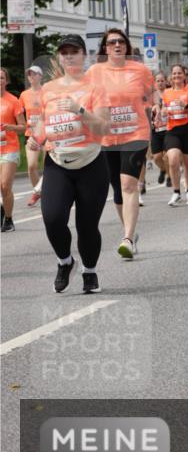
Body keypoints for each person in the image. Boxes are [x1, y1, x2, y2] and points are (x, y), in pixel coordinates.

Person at [26, 35, 110, 293]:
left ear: (84, 55)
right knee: (52, 218)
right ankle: (65, 261)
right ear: (58, 58)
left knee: (87, 226)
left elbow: (104, 126)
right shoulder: (49, 89)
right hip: (58, 162)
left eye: (74, 51)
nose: (69, 56)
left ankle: (90, 272)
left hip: (91, 162)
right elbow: (42, 121)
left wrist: (79, 110)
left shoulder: (96, 87)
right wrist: (35, 138)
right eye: (64, 53)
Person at [89, 28, 159, 260]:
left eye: (121, 42)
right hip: (107, 137)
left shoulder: (140, 70)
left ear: (127, 46)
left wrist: (157, 106)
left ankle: (127, 238)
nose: (117, 45)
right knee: (117, 188)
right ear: (105, 48)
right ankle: (129, 231)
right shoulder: (95, 71)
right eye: (111, 43)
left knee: (129, 184)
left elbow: (153, 94)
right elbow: (85, 99)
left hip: (135, 133)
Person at [163, 64, 188, 206]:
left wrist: (187, 106)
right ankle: (176, 192)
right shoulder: (167, 92)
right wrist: (162, 113)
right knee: (173, 159)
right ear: (171, 76)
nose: (176, 76)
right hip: (172, 131)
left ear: (184, 75)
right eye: (174, 74)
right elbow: (165, 108)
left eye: (179, 73)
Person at [1, 67, 26, 233]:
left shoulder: (13, 101)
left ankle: (8, 220)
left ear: (6, 81)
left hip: (10, 147)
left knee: (5, 185)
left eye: (2, 77)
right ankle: (4, 208)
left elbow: (24, 127)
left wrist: (10, 127)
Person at [18, 65, 45, 207]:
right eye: (29, 74)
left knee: (49, 167)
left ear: (40, 76)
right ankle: (38, 192)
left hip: (47, 134)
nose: (31, 76)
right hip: (31, 135)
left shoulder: (47, 91)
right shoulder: (24, 95)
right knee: (31, 166)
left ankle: (39, 191)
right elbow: (19, 112)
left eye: (34, 74)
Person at [150, 72, 170, 185]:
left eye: (162, 80)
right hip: (156, 129)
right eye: (158, 81)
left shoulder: (169, 93)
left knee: (167, 155)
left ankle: (169, 177)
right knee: (157, 157)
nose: (160, 83)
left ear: (166, 81)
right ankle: (163, 170)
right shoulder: (151, 96)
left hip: (168, 128)